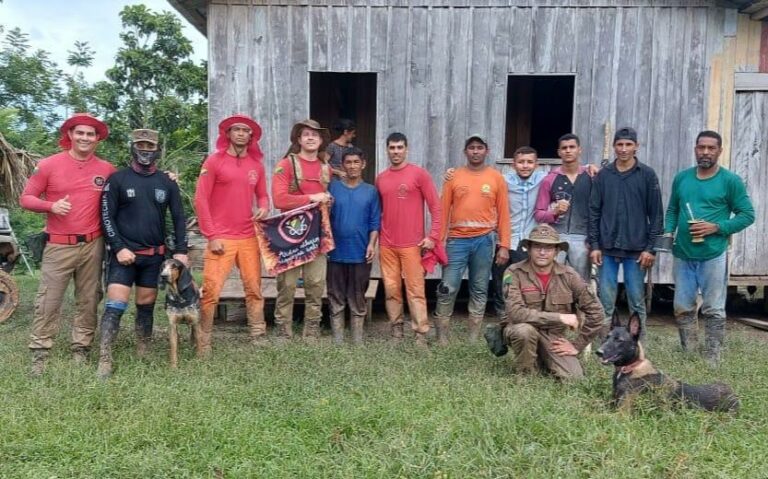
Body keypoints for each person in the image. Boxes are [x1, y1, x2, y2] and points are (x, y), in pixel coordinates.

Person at [19, 113, 116, 376]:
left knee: (88, 299)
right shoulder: (49, 165)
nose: (85, 138)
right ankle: (40, 354)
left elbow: (130, 187)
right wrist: (50, 205)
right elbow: (26, 198)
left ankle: (81, 349)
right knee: (48, 299)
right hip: (59, 245)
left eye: (90, 134)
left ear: (98, 139)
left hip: (93, 245)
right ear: (70, 135)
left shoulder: (106, 169)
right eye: (80, 133)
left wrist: (166, 177)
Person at [97, 129, 188, 378]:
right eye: (140, 145)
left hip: (154, 257)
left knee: (146, 306)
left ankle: (143, 351)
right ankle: (105, 358)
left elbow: (179, 218)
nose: (145, 150)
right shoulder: (117, 180)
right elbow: (106, 218)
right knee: (115, 306)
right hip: (123, 256)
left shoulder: (167, 182)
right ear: (132, 148)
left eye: (150, 145)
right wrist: (119, 247)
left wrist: (181, 250)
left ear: (157, 149)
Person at [664, 130, 754, 366]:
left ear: (719, 151)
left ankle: (713, 357)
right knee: (682, 307)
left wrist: (717, 227)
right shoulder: (682, 178)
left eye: (711, 148)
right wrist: (668, 232)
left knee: (713, 308)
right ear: (695, 149)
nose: (705, 152)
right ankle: (689, 353)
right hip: (683, 253)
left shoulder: (730, 181)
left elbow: (747, 215)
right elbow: (673, 209)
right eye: (701, 147)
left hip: (713, 254)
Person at [194, 114, 270, 355]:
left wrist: (264, 206)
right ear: (227, 134)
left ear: (251, 136)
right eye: (235, 129)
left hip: (248, 235)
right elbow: (201, 199)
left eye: (245, 130)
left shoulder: (256, 165)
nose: (240, 133)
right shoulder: (214, 161)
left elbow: (263, 194)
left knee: (254, 288)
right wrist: (211, 234)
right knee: (211, 291)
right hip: (221, 237)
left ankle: (257, 333)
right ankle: (203, 338)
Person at [433, 135, 510, 344]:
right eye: (471, 148)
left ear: (487, 151)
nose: (475, 151)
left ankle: (473, 338)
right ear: (465, 152)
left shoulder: (496, 178)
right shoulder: (453, 177)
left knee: (479, 287)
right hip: (456, 241)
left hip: (484, 241)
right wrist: (438, 242)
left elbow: (503, 213)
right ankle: (442, 337)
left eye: (479, 148)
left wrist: (504, 245)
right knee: (447, 286)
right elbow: (442, 211)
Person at [500, 225, 604, 380]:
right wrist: (560, 317)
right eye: (537, 246)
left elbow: (597, 313)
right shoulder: (513, 272)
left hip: (553, 335)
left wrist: (577, 346)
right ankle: (526, 376)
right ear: (528, 249)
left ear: (556, 251)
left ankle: (542, 359)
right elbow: (516, 313)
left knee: (574, 378)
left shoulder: (569, 275)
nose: (542, 252)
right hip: (520, 328)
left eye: (548, 248)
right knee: (524, 332)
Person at [589, 127, 663, 340]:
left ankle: (638, 344)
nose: (623, 149)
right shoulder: (604, 176)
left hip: (637, 249)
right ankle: (604, 341)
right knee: (605, 300)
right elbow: (594, 212)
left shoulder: (647, 175)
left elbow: (656, 215)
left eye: (628, 144)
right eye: (619, 144)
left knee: (636, 300)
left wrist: (651, 248)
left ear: (636, 146)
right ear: (614, 147)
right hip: (607, 248)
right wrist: (594, 245)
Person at [376, 132, 441, 346]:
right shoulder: (381, 178)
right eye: (392, 148)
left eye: (400, 147)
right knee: (391, 289)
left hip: (413, 244)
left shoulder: (419, 174)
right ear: (387, 150)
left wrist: (433, 236)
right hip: (387, 244)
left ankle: (420, 333)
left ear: (407, 149)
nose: (396, 151)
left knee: (415, 290)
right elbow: (378, 211)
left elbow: (435, 206)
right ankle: (396, 330)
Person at [271, 119, 333, 341]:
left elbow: (327, 197)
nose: (310, 137)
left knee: (316, 284)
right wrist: (312, 198)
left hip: (316, 234)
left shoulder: (325, 168)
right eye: (306, 134)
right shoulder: (286, 164)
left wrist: (327, 200)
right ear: (298, 139)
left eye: (315, 135)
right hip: (290, 233)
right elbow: (279, 199)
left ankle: (311, 331)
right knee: (286, 285)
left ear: (321, 140)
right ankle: (282, 331)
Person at [327, 147, 381, 345]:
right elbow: (324, 218)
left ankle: (357, 340)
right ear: (343, 165)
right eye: (348, 162)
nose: (352, 166)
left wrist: (371, 244)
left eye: (356, 162)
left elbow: (375, 222)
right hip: (335, 253)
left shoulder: (371, 191)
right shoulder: (332, 188)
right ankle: (338, 340)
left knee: (358, 296)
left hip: (360, 252)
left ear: (363, 164)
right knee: (335, 294)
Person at [534, 134, 593, 282]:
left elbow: (599, 211)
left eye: (572, 147)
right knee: (553, 281)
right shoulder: (550, 179)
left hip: (583, 237)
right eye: (564, 148)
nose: (568, 151)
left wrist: (593, 240)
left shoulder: (592, 177)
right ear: (559, 152)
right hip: (556, 237)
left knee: (580, 283)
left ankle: (579, 306)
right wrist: (554, 212)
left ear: (579, 150)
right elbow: (539, 214)